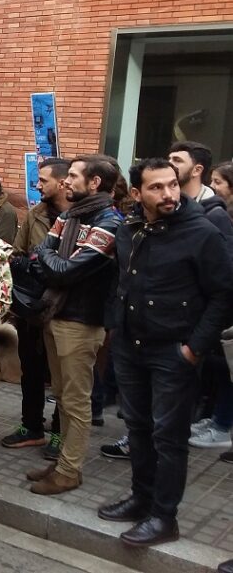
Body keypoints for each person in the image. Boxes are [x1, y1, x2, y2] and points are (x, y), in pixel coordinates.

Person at [98, 158, 233, 547]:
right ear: (138, 194)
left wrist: (193, 349)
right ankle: (142, 499)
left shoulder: (202, 232)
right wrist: (114, 326)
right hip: (130, 347)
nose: (169, 194)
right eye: (157, 188)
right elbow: (121, 280)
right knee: (137, 429)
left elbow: (224, 294)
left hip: (173, 353)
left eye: (172, 184)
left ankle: (164, 517)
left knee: (168, 438)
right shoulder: (130, 229)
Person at [27, 155, 123, 495]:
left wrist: (49, 260)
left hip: (82, 322)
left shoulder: (110, 223)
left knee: (76, 400)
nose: (67, 180)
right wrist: (50, 260)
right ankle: (63, 463)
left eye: (73, 175)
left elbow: (64, 271)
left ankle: (69, 471)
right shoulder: (70, 216)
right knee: (64, 398)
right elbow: (41, 253)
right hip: (58, 315)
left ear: (94, 183)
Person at [1, 158, 70, 453]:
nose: (37, 185)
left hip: (66, 309)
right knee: (31, 369)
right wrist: (29, 265)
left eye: (43, 180)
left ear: (63, 183)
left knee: (63, 378)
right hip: (32, 308)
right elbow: (17, 253)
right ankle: (31, 426)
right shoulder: (36, 214)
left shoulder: (82, 217)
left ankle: (59, 434)